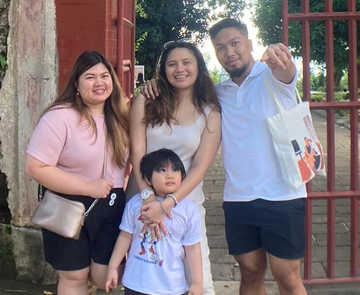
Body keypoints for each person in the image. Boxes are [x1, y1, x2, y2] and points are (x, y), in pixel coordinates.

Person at [143, 19, 308, 295]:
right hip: (238, 199)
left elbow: (286, 70)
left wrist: (280, 55)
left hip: (283, 195)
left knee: (287, 277)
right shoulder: (218, 93)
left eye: (235, 43)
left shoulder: (273, 78)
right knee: (250, 273)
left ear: (249, 44)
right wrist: (154, 84)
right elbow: (184, 90)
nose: (229, 52)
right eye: (220, 47)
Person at [25, 51, 130, 295]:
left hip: (112, 206)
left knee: (107, 277)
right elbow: (35, 167)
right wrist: (87, 187)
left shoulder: (122, 116)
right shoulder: (60, 117)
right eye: (90, 77)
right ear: (76, 84)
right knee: (74, 275)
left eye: (105, 76)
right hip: (68, 204)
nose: (99, 82)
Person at [128, 40, 221, 295]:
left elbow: (200, 167)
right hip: (144, 199)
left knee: (198, 280)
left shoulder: (210, 112)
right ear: (164, 70)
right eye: (172, 64)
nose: (180, 69)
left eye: (186, 62)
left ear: (198, 67)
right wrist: (149, 198)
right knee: (148, 274)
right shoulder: (146, 101)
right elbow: (137, 152)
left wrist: (167, 204)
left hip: (185, 203)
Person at [106, 148, 203, 295]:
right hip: (135, 283)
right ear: (148, 179)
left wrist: (197, 282)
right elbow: (125, 236)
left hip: (172, 287)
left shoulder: (188, 210)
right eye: (162, 170)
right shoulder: (136, 204)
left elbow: (193, 248)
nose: (170, 175)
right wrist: (113, 267)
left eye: (175, 170)